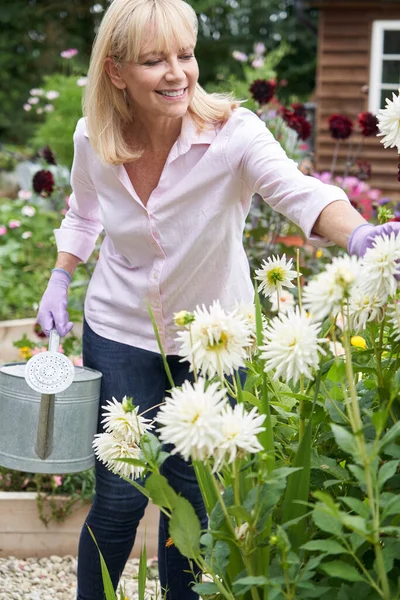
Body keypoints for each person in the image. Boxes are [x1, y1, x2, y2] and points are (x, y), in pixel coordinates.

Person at [36, 0, 400, 598]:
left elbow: (299, 190)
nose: (178, 72)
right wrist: (60, 273)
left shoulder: (233, 134)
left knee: (195, 500)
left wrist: (358, 232)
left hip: (214, 339)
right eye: (155, 60)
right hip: (120, 329)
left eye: (186, 54)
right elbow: (84, 210)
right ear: (117, 72)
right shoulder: (93, 137)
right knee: (120, 495)